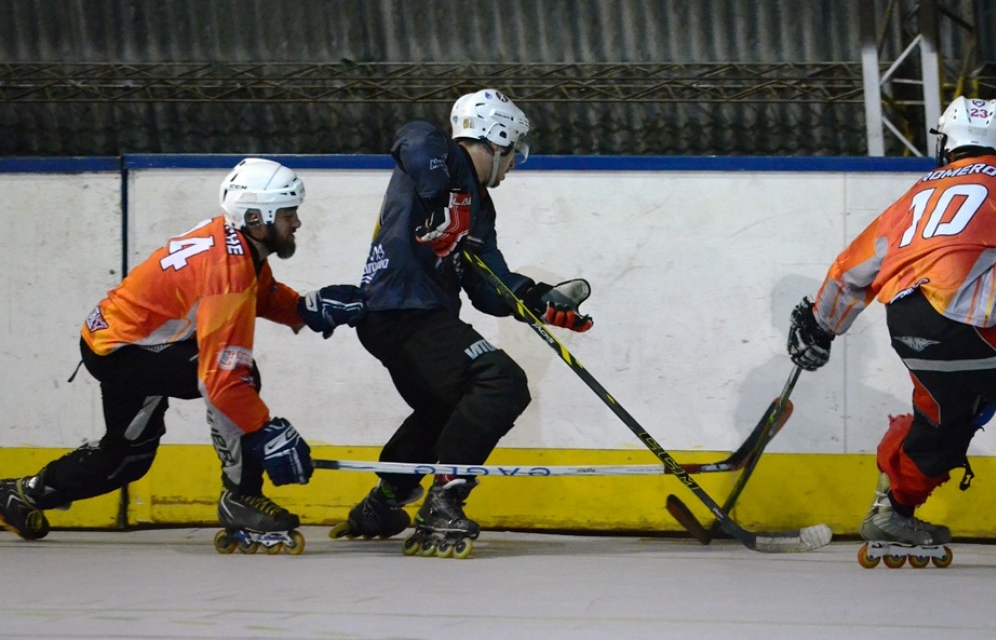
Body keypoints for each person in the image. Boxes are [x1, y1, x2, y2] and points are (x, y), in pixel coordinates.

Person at [787, 96, 996, 559]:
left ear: (945, 142)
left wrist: (821, 328)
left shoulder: (913, 196)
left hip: (908, 325)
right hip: (966, 321)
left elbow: (850, 270)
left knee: (946, 415)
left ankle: (892, 511)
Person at [0, 158, 366, 544]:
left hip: (122, 342)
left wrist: (301, 309)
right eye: (290, 214)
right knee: (237, 376)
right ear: (258, 218)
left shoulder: (236, 241)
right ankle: (241, 498)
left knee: (127, 459)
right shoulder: (230, 269)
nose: (297, 224)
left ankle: (21, 492)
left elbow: (261, 292)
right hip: (125, 352)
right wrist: (264, 432)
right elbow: (222, 380)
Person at [337, 89, 594, 557]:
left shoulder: (480, 206)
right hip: (402, 311)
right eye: (514, 150)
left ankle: (386, 500)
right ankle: (444, 500)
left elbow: (486, 286)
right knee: (502, 382)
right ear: (495, 140)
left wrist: (536, 298)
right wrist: (438, 197)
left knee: (448, 408)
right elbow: (413, 138)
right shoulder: (444, 161)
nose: (516, 162)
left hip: (411, 319)